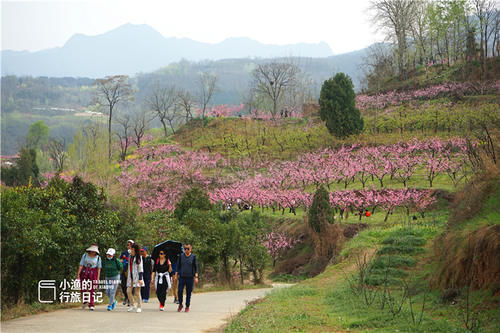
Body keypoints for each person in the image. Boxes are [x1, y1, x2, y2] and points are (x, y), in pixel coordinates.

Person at [77, 244, 102, 311]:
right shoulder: (85, 255)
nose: (93, 252)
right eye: (92, 250)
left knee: (92, 289)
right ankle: (85, 301)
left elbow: (99, 268)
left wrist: (97, 278)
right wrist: (78, 274)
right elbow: (81, 265)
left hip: (93, 273)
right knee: (83, 288)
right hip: (85, 272)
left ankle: (91, 304)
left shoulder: (98, 258)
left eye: (95, 251)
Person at [175, 243, 198, 312]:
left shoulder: (193, 257)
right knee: (180, 291)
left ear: (191, 249)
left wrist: (196, 277)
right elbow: (178, 266)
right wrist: (176, 275)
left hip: (190, 277)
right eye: (185, 249)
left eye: (188, 249)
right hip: (182, 277)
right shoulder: (181, 256)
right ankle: (180, 304)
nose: (186, 250)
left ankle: (187, 306)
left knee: (188, 292)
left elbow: (196, 267)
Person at [127, 243, 144, 313]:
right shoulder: (130, 256)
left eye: (132, 249)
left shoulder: (139, 257)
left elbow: (141, 269)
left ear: (135, 249)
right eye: (131, 248)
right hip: (130, 277)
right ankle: (132, 304)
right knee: (128, 291)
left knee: (137, 292)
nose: (131, 250)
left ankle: (139, 306)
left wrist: (140, 279)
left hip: (137, 277)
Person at [120, 240, 134, 306]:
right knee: (123, 285)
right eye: (128, 245)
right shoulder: (124, 253)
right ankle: (126, 296)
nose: (129, 246)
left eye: (130, 245)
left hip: (131, 272)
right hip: (124, 271)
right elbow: (121, 260)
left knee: (130, 286)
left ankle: (129, 299)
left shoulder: (134, 253)